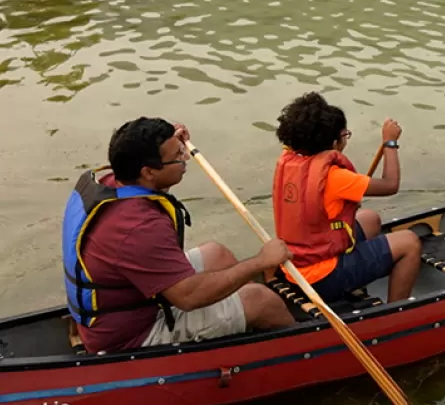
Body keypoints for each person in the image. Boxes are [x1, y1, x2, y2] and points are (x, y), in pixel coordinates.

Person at [62, 118, 293, 354]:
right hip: (131, 336)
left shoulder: (111, 180)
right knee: (263, 301)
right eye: (178, 155)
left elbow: (149, 178)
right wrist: (261, 261)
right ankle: (298, 353)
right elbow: (188, 297)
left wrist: (171, 139)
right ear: (148, 171)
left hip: (128, 302)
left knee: (217, 255)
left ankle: (239, 329)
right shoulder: (140, 226)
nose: (186, 158)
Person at [272, 92, 421, 304]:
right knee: (409, 242)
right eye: (345, 135)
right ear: (335, 143)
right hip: (322, 278)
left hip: (296, 266)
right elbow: (390, 185)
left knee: (370, 218)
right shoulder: (335, 177)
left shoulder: (289, 161)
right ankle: (394, 313)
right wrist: (389, 143)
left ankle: (354, 284)